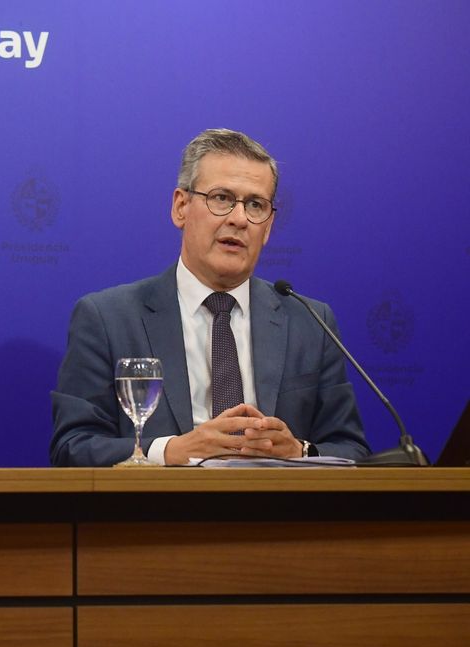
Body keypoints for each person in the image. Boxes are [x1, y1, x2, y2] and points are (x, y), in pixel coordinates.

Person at [50, 129, 369, 466]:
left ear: (269, 227)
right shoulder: (107, 319)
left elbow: (353, 450)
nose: (239, 219)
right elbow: (72, 448)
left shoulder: (310, 322)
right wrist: (173, 451)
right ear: (181, 207)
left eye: (256, 205)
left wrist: (298, 451)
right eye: (221, 198)